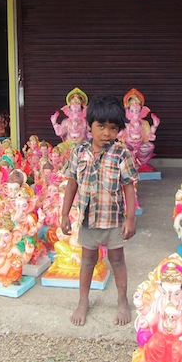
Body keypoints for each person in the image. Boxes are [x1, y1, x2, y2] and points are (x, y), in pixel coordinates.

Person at [61, 95, 139, 326]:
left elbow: (128, 187)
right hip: (88, 220)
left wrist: (131, 219)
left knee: (117, 259)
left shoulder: (121, 154)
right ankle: (83, 301)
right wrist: (64, 214)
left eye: (113, 128)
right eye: (101, 126)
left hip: (113, 220)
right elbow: (72, 184)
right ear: (89, 126)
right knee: (87, 260)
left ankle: (122, 300)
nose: (107, 133)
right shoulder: (78, 152)